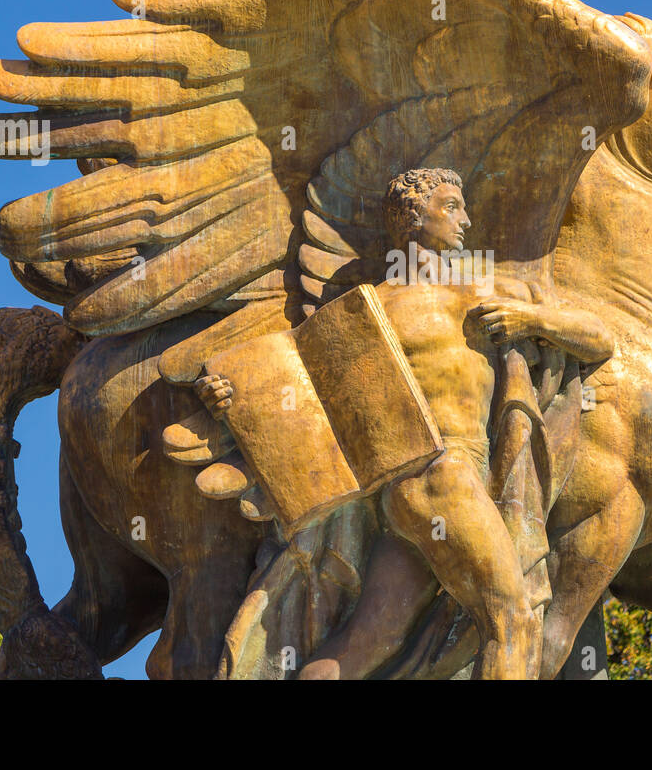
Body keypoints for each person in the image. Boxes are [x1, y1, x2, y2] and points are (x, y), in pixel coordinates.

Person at [196, 168, 613, 678]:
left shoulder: (488, 294)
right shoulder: (368, 313)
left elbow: (598, 340)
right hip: (444, 474)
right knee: (515, 618)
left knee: (370, 640)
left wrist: (534, 321)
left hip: (408, 501)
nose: (466, 220)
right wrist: (228, 396)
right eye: (452, 206)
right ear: (413, 216)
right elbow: (292, 391)